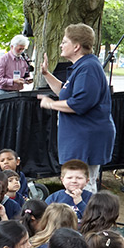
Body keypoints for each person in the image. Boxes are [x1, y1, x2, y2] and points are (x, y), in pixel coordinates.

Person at [39, 24, 114, 192]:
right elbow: (65, 92)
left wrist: (51, 104)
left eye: (65, 41)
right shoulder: (81, 66)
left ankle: (86, 217)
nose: (61, 45)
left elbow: (79, 103)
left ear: (77, 46)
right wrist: (46, 74)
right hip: (79, 136)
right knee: (77, 183)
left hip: (86, 138)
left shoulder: (88, 68)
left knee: (82, 184)